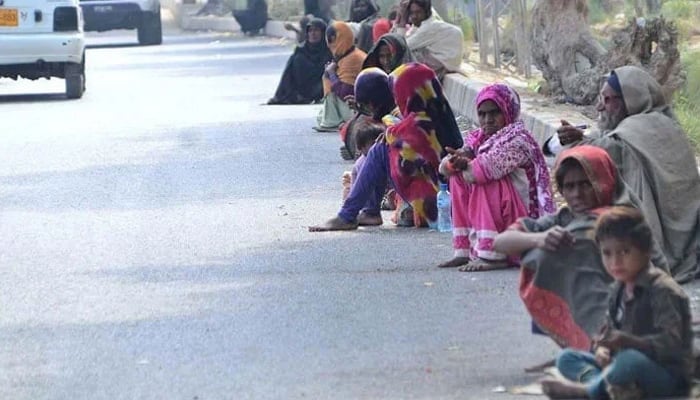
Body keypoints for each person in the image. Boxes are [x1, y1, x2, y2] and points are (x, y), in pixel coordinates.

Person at [494, 146, 667, 353]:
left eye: (586, 184)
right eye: (569, 186)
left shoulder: (620, 217)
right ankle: (589, 345)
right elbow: (500, 242)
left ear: (605, 181)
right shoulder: (565, 218)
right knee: (541, 250)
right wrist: (539, 238)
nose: (577, 194)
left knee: (555, 255)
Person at [549, 65, 700, 283]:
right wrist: (580, 137)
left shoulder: (644, 126)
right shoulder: (647, 122)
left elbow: (602, 152)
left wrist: (576, 140)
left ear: (631, 100)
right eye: (601, 98)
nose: (601, 106)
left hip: (675, 231)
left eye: (609, 100)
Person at [540, 206, 693, 400]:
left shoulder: (662, 290)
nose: (615, 262)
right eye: (607, 253)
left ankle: (589, 392)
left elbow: (672, 346)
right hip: (621, 364)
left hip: (665, 373)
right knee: (567, 358)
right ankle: (605, 387)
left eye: (625, 252)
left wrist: (629, 342)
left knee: (629, 360)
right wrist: (602, 350)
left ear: (645, 252)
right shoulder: (618, 289)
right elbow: (608, 332)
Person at [309, 63, 463, 231]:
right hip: (449, 200)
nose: (396, 99)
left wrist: (391, 134)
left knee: (380, 150)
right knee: (382, 147)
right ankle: (365, 212)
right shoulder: (439, 112)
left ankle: (349, 215)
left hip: (438, 208)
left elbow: (396, 133)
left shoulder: (418, 124)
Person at [437, 83, 555, 271]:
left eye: (494, 113)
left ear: (508, 111)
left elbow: (482, 170)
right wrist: (455, 161)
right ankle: (464, 251)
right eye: (482, 114)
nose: (488, 120)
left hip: (523, 218)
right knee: (457, 177)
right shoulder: (478, 138)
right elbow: (444, 169)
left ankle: (492, 253)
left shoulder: (518, 139)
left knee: (486, 181)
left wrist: (464, 161)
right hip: (503, 211)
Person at [314, 21, 367, 133]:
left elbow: (346, 92)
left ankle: (336, 122)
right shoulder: (348, 55)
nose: (329, 45)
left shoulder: (353, 59)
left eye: (331, 40)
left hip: (358, 107)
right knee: (320, 116)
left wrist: (332, 74)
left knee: (331, 95)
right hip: (354, 104)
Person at [268, 18, 332, 105]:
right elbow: (287, 76)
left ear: (323, 33)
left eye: (316, 30)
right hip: (300, 92)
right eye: (310, 31)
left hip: (321, 89)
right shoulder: (300, 51)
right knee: (297, 59)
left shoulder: (330, 52)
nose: (313, 34)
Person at [394, 0, 463, 80]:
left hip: (443, 66)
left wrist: (402, 19)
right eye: (411, 13)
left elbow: (400, 46)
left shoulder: (430, 27)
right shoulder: (421, 26)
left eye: (418, 12)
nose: (414, 16)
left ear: (427, 12)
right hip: (439, 62)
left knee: (404, 56)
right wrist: (398, 18)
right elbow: (394, 41)